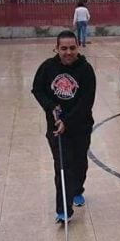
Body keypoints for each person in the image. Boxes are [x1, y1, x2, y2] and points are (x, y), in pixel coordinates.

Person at [32, 30, 96, 223]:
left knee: (79, 164)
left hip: (80, 126)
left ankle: (77, 189)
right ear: (57, 48)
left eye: (72, 48)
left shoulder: (85, 70)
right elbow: (37, 89)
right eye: (64, 48)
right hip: (55, 129)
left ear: (77, 47)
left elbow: (86, 101)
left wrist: (67, 121)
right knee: (62, 166)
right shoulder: (47, 67)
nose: (68, 52)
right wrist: (51, 107)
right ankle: (63, 210)